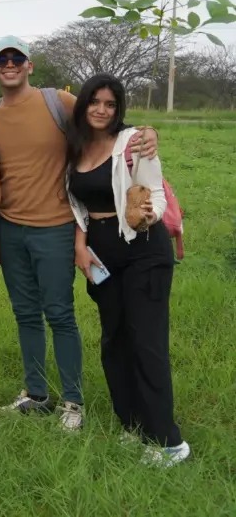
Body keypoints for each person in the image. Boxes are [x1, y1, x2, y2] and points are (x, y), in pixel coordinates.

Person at [0, 36, 157, 431]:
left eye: (17, 58)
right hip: (11, 229)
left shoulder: (56, 101)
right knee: (25, 313)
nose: (10, 64)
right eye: (2, 59)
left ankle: (73, 402)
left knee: (59, 314)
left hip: (57, 228)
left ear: (29, 65)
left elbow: (104, 122)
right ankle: (37, 395)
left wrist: (144, 134)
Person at [66, 74, 189, 466]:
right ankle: (134, 425)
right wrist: (80, 246)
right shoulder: (77, 147)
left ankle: (169, 442)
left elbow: (151, 189)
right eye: (95, 102)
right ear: (84, 105)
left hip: (142, 249)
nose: (102, 110)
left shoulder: (133, 140)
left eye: (110, 104)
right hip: (101, 253)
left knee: (146, 342)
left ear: (119, 109)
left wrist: (146, 215)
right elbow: (79, 207)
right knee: (114, 339)